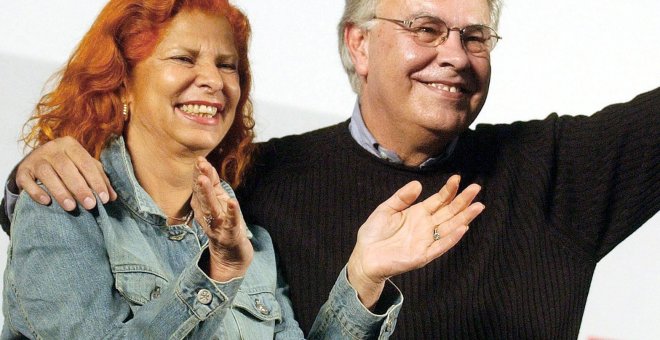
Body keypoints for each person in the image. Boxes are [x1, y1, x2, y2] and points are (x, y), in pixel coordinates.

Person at [2, 0, 658, 338]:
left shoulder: (559, 173)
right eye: (427, 28)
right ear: (359, 43)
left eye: (475, 35)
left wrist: (363, 277)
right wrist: (36, 177)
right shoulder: (252, 184)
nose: (455, 55)